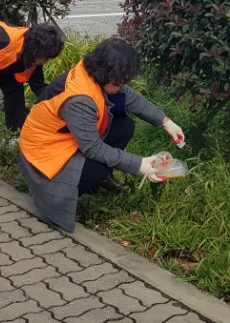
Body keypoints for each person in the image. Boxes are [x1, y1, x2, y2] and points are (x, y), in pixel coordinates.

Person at [18, 37, 186, 232]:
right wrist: (140, 165)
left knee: (124, 126)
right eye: (121, 81)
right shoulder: (78, 98)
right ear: (107, 75)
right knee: (96, 169)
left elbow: (129, 97)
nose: (123, 86)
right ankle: (68, 190)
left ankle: (101, 178)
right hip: (43, 156)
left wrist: (166, 122)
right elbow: (92, 148)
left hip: (63, 141)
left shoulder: (92, 73)